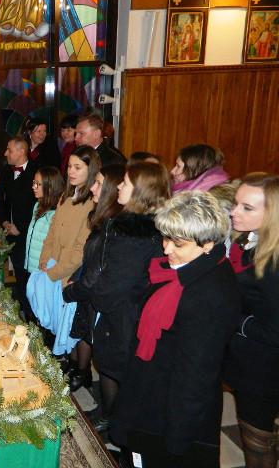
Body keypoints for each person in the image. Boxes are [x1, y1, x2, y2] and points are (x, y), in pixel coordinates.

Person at [110, 191, 241, 468]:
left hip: (170, 407)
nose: (167, 249)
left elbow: (196, 376)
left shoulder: (210, 294)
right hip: (151, 386)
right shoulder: (182, 270)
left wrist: (177, 438)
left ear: (207, 244)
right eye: (165, 238)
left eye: (177, 243)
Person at [90, 162, 170, 432]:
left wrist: (95, 295)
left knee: (116, 367)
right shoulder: (145, 226)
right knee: (114, 367)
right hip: (132, 310)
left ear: (140, 191)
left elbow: (117, 283)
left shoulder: (132, 234)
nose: (119, 187)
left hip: (126, 313)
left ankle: (117, 424)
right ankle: (110, 414)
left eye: (125, 183)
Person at [223, 173, 279, 468]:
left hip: (263, 368)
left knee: (257, 440)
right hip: (248, 358)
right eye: (236, 203)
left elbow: (275, 330)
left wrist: (232, 317)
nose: (234, 212)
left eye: (247, 207)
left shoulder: (273, 262)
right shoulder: (251, 240)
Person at [63, 164, 125, 391]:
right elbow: (89, 258)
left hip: (97, 295)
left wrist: (74, 288)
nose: (92, 188)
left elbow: (100, 268)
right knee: (83, 334)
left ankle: (84, 375)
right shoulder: (102, 218)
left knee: (101, 354)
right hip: (87, 287)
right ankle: (81, 370)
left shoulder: (115, 226)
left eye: (98, 184)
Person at [32, 146, 99, 355]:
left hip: (68, 273)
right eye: (69, 166)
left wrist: (55, 271)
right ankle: (65, 360)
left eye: (78, 167)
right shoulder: (65, 197)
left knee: (70, 326)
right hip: (52, 266)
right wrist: (44, 259)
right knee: (56, 320)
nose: (71, 171)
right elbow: (51, 233)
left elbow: (80, 249)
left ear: (91, 170)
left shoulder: (92, 203)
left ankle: (77, 366)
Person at [0, 136, 38, 320]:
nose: (5, 153)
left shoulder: (37, 172)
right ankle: (21, 313)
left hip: (30, 237)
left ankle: (33, 318)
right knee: (16, 276)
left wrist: (21, 228)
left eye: (9, 150)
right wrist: (4, 222)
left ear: (21, 151)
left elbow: (40, 207)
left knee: (29, 280)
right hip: (10, 235)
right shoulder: (6, 171)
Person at [24, 166, 65, 274]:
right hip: (32, 267)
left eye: (38, 184)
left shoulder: (57, 213)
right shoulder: (37, 206)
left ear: (50, 187)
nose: (33, 187)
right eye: (34, 183)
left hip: (44, 269)